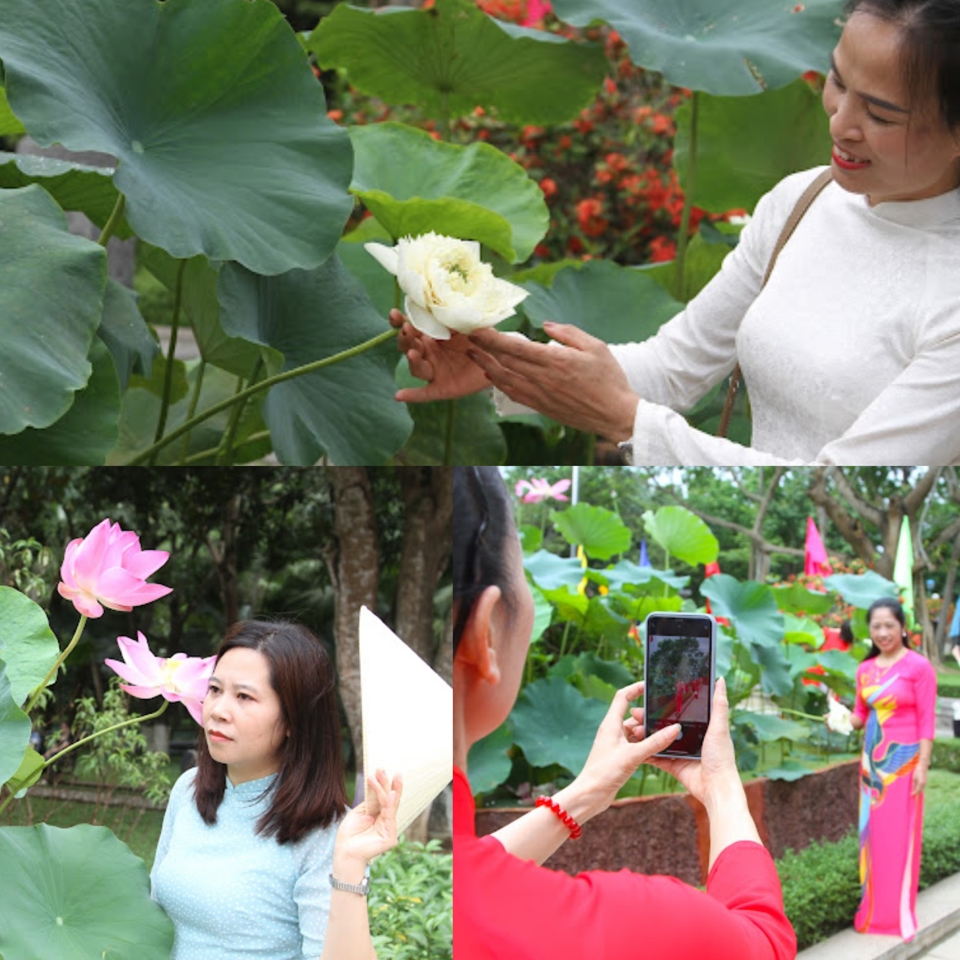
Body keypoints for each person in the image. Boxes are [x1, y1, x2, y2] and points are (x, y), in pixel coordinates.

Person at [391, 0, 960, 466]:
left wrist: (625, 420)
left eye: (881, 115)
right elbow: (670, 368)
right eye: (837, 81)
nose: (839, 122)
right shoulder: (803, 199)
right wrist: (503, 365)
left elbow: (835, 489)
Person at [453, 466, 797, 960]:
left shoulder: (403, 879)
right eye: (524, 576)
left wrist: (587, 792)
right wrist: (720, 787)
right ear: (485, 634)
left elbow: (479, 867)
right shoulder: (636, 922)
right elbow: (765, 943)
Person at [151, 620, 401, 960]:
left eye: (244, 696)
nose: (218, 711)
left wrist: (350, 864)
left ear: (293, 721)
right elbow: (150, 916)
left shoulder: (325, 831)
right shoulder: (188, 790)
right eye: (214, 690)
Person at [847, 598, 936, 940]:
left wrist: (923, 766)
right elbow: (860, 715)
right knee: (872, 838)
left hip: (904, 765)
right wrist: (839, 720)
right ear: (869, 630)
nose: (882, 632)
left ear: (902, 628)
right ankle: (871, 911)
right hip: (871, 766)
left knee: (900, 836)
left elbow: (928, 721)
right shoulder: (865, 669)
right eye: (876, 626)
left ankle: (898, 915)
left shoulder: (919, 667)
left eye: (889, 625)